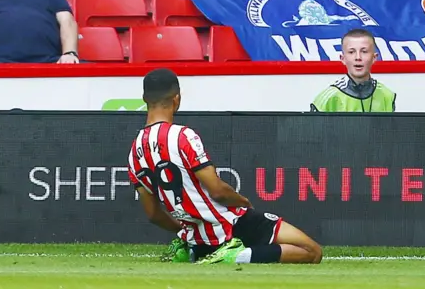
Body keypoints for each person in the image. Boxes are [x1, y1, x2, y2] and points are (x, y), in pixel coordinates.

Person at [127, 68, 322, 265]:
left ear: (145, 98)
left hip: (198, 237)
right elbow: (218, 191)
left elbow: (153, 214)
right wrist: (244, 201)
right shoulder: (182, 136)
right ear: (176, 98)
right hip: (229, 223)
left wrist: (186, 231)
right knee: (311, 251)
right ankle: (235, 256)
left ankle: (196, 251)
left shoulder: (134, 151)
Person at [311, 29, 396, 112]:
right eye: (351, 52)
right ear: (343, 58)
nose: (358, 57)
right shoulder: (328, 98)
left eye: (364, 51)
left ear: (374, 58)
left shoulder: (387, 95)